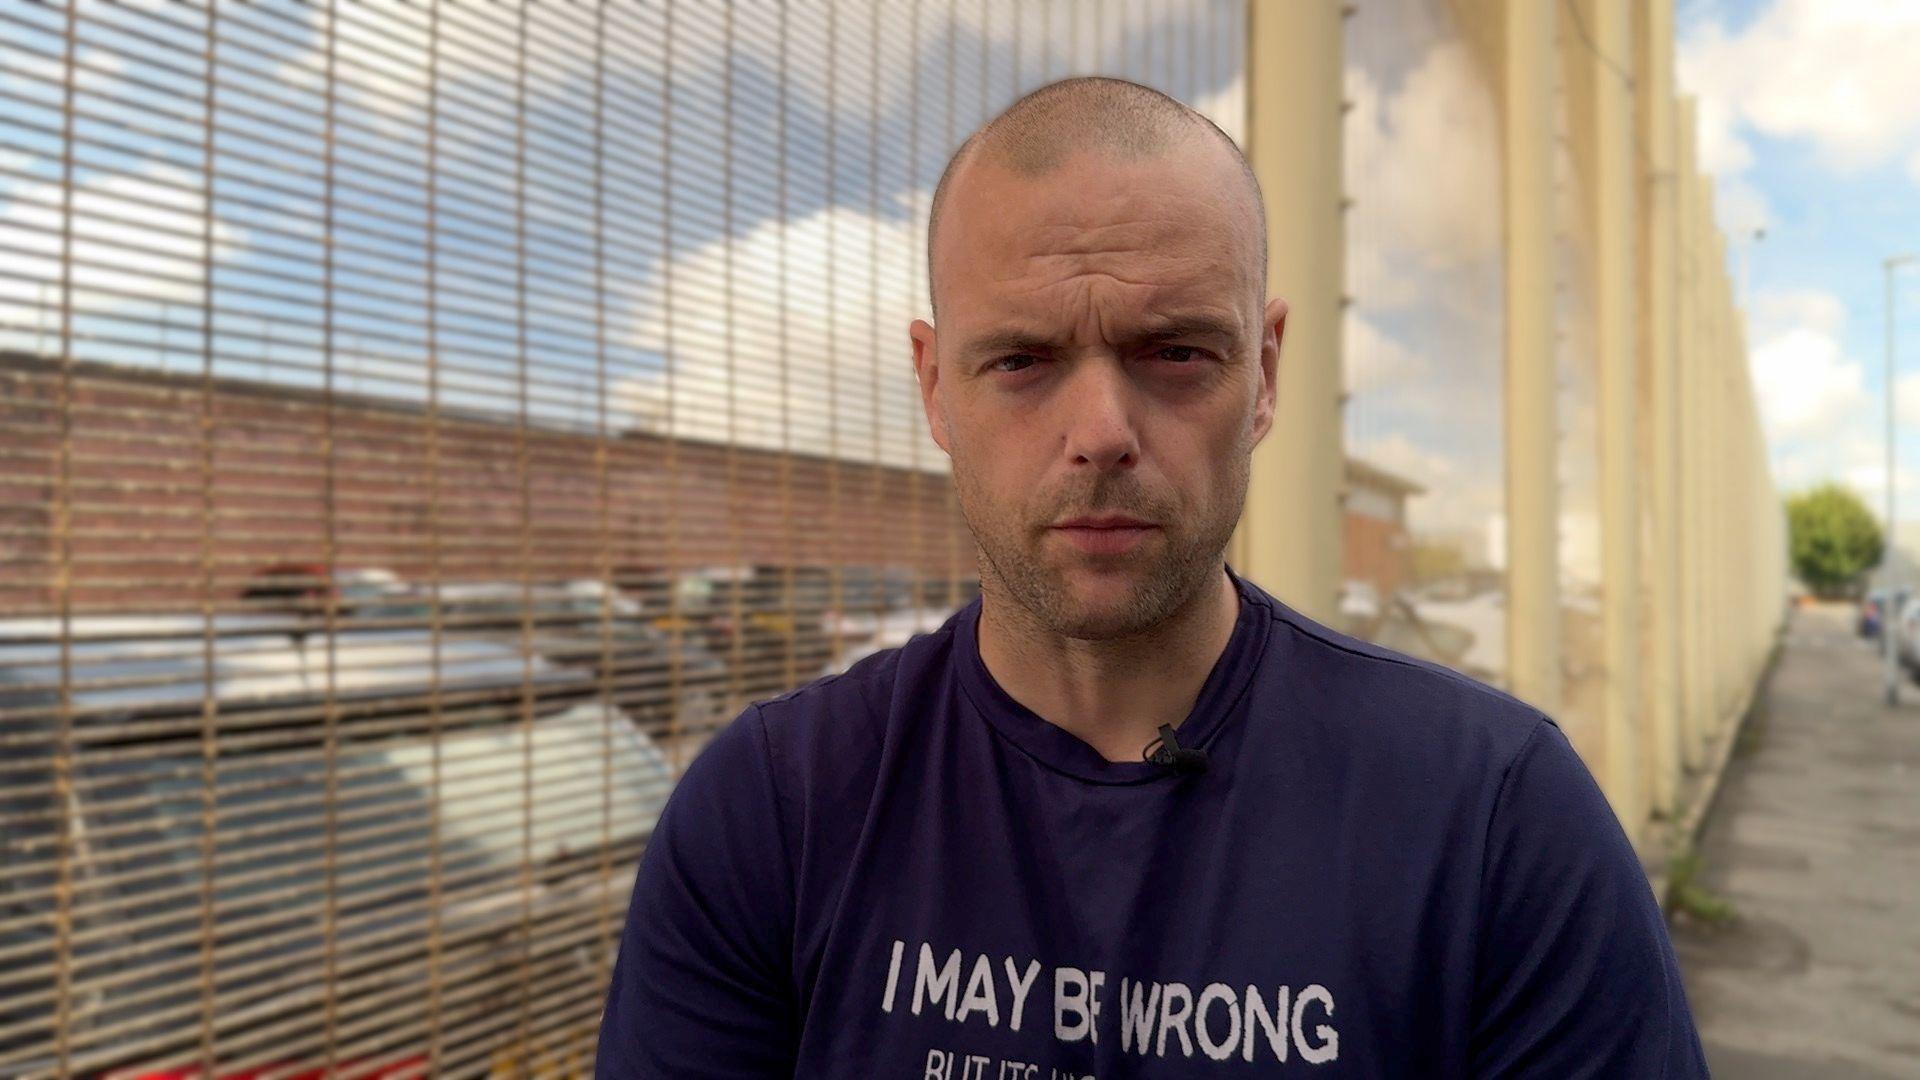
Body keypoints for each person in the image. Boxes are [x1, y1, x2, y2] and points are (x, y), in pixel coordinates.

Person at [595, 76, 1708, 1077]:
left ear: (1264, 375)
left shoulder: (1492, 817)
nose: (1101, 432)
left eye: (1174, 352)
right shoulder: (774, 812)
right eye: (1022, 360)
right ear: (935, 387)